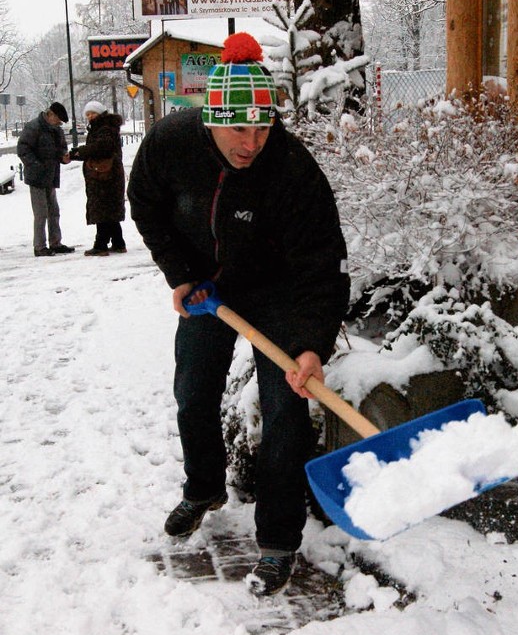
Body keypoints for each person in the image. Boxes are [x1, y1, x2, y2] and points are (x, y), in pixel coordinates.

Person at [128, 32, 350, 596]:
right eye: (239, 128)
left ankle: (277, 542)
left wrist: (310, 345)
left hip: (276, 294)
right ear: (211, 120)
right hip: (205, 288)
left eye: (263, 126)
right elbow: (145, 202)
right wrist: (179, 273)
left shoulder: (292, 169)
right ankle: (203, 487)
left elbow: (322, 262)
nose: (252, 142)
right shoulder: (171, 143)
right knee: (194, 392)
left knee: (285, 413)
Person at [17, 102, 75, 257]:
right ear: (50, 115)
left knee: (54, 211)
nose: (59, 123)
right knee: (41, 212)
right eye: (58, 120)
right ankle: (40, 246)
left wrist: (63, 157)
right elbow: (23, 149)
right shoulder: (33, 127)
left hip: (50, 175)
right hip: (36, 177)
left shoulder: (56, 130)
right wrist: (35, 165)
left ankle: (55, 243)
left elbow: (61, 147)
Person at [69, 101, 126, 256]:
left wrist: (77, 152)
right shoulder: (104, 127)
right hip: (106, 174)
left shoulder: (104, 129)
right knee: (109, 208)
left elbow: (100, 148)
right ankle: (118, 242)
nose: (90, 116)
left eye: (93, 113)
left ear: (100, 113)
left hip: (104, 175)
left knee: (102, 208)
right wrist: (78, 154)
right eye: (87, 114)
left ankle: (101, 244)